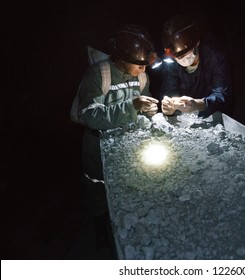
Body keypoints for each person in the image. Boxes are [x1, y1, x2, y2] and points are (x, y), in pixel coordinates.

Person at [73, 24, 159, 258]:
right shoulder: (98, 75)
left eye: (144, 65)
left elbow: (145, 101)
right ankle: (102, 239)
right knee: (99, 197)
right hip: (98, 154)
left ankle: (130, 237)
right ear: (121, 59)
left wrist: (152, 109)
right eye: (139, 64)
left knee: (129, 195)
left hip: (129, 153)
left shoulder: (141, 76)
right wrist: (131, 106)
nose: (143, 69)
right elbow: (89, 115)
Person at [160, 14, 234, 118]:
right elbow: (169, 89)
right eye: (177, 58)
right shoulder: (171, 61)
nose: (181, 60)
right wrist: (168, 106)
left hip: (214, 113)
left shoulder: (214, 53)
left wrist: (198, 104)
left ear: (197, 43)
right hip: (185, 116)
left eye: (185, 55)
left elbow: (223, 94)